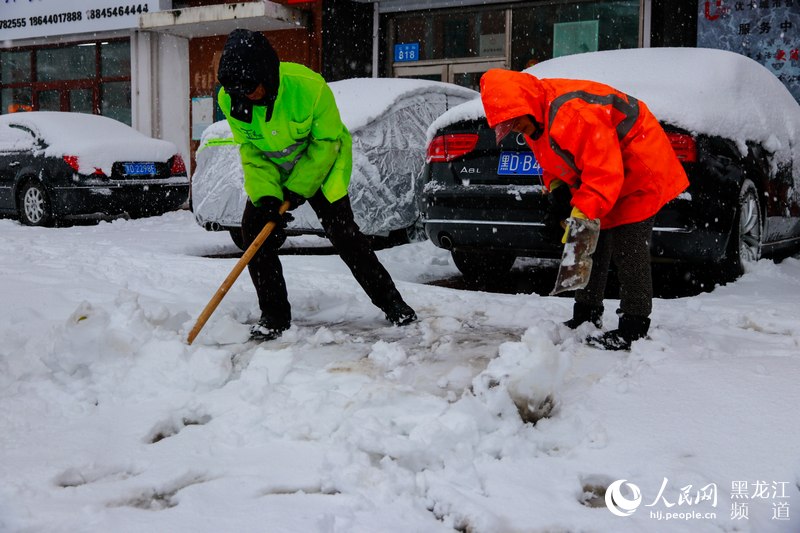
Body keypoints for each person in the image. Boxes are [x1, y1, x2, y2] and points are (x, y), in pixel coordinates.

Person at [216, 29, 416, 341]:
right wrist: (268, 196)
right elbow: (252, 151)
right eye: (238, 91)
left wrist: (298, 190)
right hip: (274, 168)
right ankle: (274, 316)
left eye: (251, 87)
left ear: (267, 75)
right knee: (254, 231)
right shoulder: (231, 99)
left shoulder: (309, 88)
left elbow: (325, 144)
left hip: (322, 164)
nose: (247, 95)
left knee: (345, 236)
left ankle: (393, 304)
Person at [480, 69, 689, 350]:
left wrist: (580, 215)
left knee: (628, 246)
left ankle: (634, 325)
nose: (516, 129)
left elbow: (604, 172)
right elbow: (551, 159)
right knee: (590, 240)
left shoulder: (573, 114)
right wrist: (557, 196)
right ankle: (586, 314)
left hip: (640, 167)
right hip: (605, 169)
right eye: (509, 125)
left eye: (516, 122)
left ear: (524, 105)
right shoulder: (534, 119)